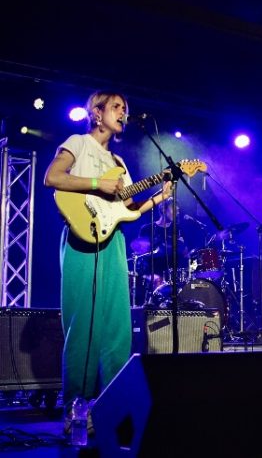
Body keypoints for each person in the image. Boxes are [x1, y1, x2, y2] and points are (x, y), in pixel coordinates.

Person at [44, 90, 172, 435]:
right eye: (116, 107)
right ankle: (76, 409)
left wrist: (158, 198)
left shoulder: (119, 162)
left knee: (117, 326)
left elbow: (126, 210)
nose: (123, 112)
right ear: (97, 113)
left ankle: (111, 407)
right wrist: (98, 183)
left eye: (125, 108)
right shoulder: (78, 143)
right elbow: (53, 177)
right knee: (83, 324)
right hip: (81, 236)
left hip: (113, 240)